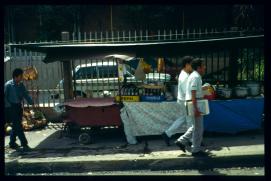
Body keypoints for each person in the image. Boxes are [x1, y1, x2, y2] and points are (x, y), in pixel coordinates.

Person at [174, 58, 208, 157]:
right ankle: (195, 150)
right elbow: (193, 93)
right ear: (199, 67)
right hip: (194, 103)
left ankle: (181, 141)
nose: (204, 67)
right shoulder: (196, 77)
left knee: (195, 127)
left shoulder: (194, 76)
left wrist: (202, 89)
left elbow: (194, 91)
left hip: (193, 102)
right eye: (203, 66)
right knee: (198, 128)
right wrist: (196, 108)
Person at [161, 56, 193, 146]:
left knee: (183, 118)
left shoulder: (184, 74)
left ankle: (167, 134)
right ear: (187, 65)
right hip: (186, 100)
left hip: (184, 100)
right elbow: (187, 91)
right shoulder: (185, 76)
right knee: (190, 121)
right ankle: (191, 141)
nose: (193, 67)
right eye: (192, 65)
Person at [5, 68, 34, 152]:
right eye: (21, 76)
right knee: (18, 126)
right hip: (11, 108)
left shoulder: (21, 85)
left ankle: (12, 142)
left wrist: (31, 102)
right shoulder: (8, 85)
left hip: (18, 107)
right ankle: (24, 144)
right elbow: (5, 97)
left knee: (16, 125)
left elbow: (25, 94)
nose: (22, 78)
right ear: (16, 76)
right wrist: (8, 108)